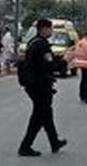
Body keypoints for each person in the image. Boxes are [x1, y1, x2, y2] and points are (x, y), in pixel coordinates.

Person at [18, 18, 67, 157]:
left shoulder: (33, 42)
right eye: (50, 29)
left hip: (34, 84)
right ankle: (25, 146)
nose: (51, 31)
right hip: (39, 85)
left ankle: (54, 142)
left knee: (46, 114)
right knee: (39, 115)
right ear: (43, 29)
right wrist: (65, 62)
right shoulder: (42, 45)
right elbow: (49, 66)